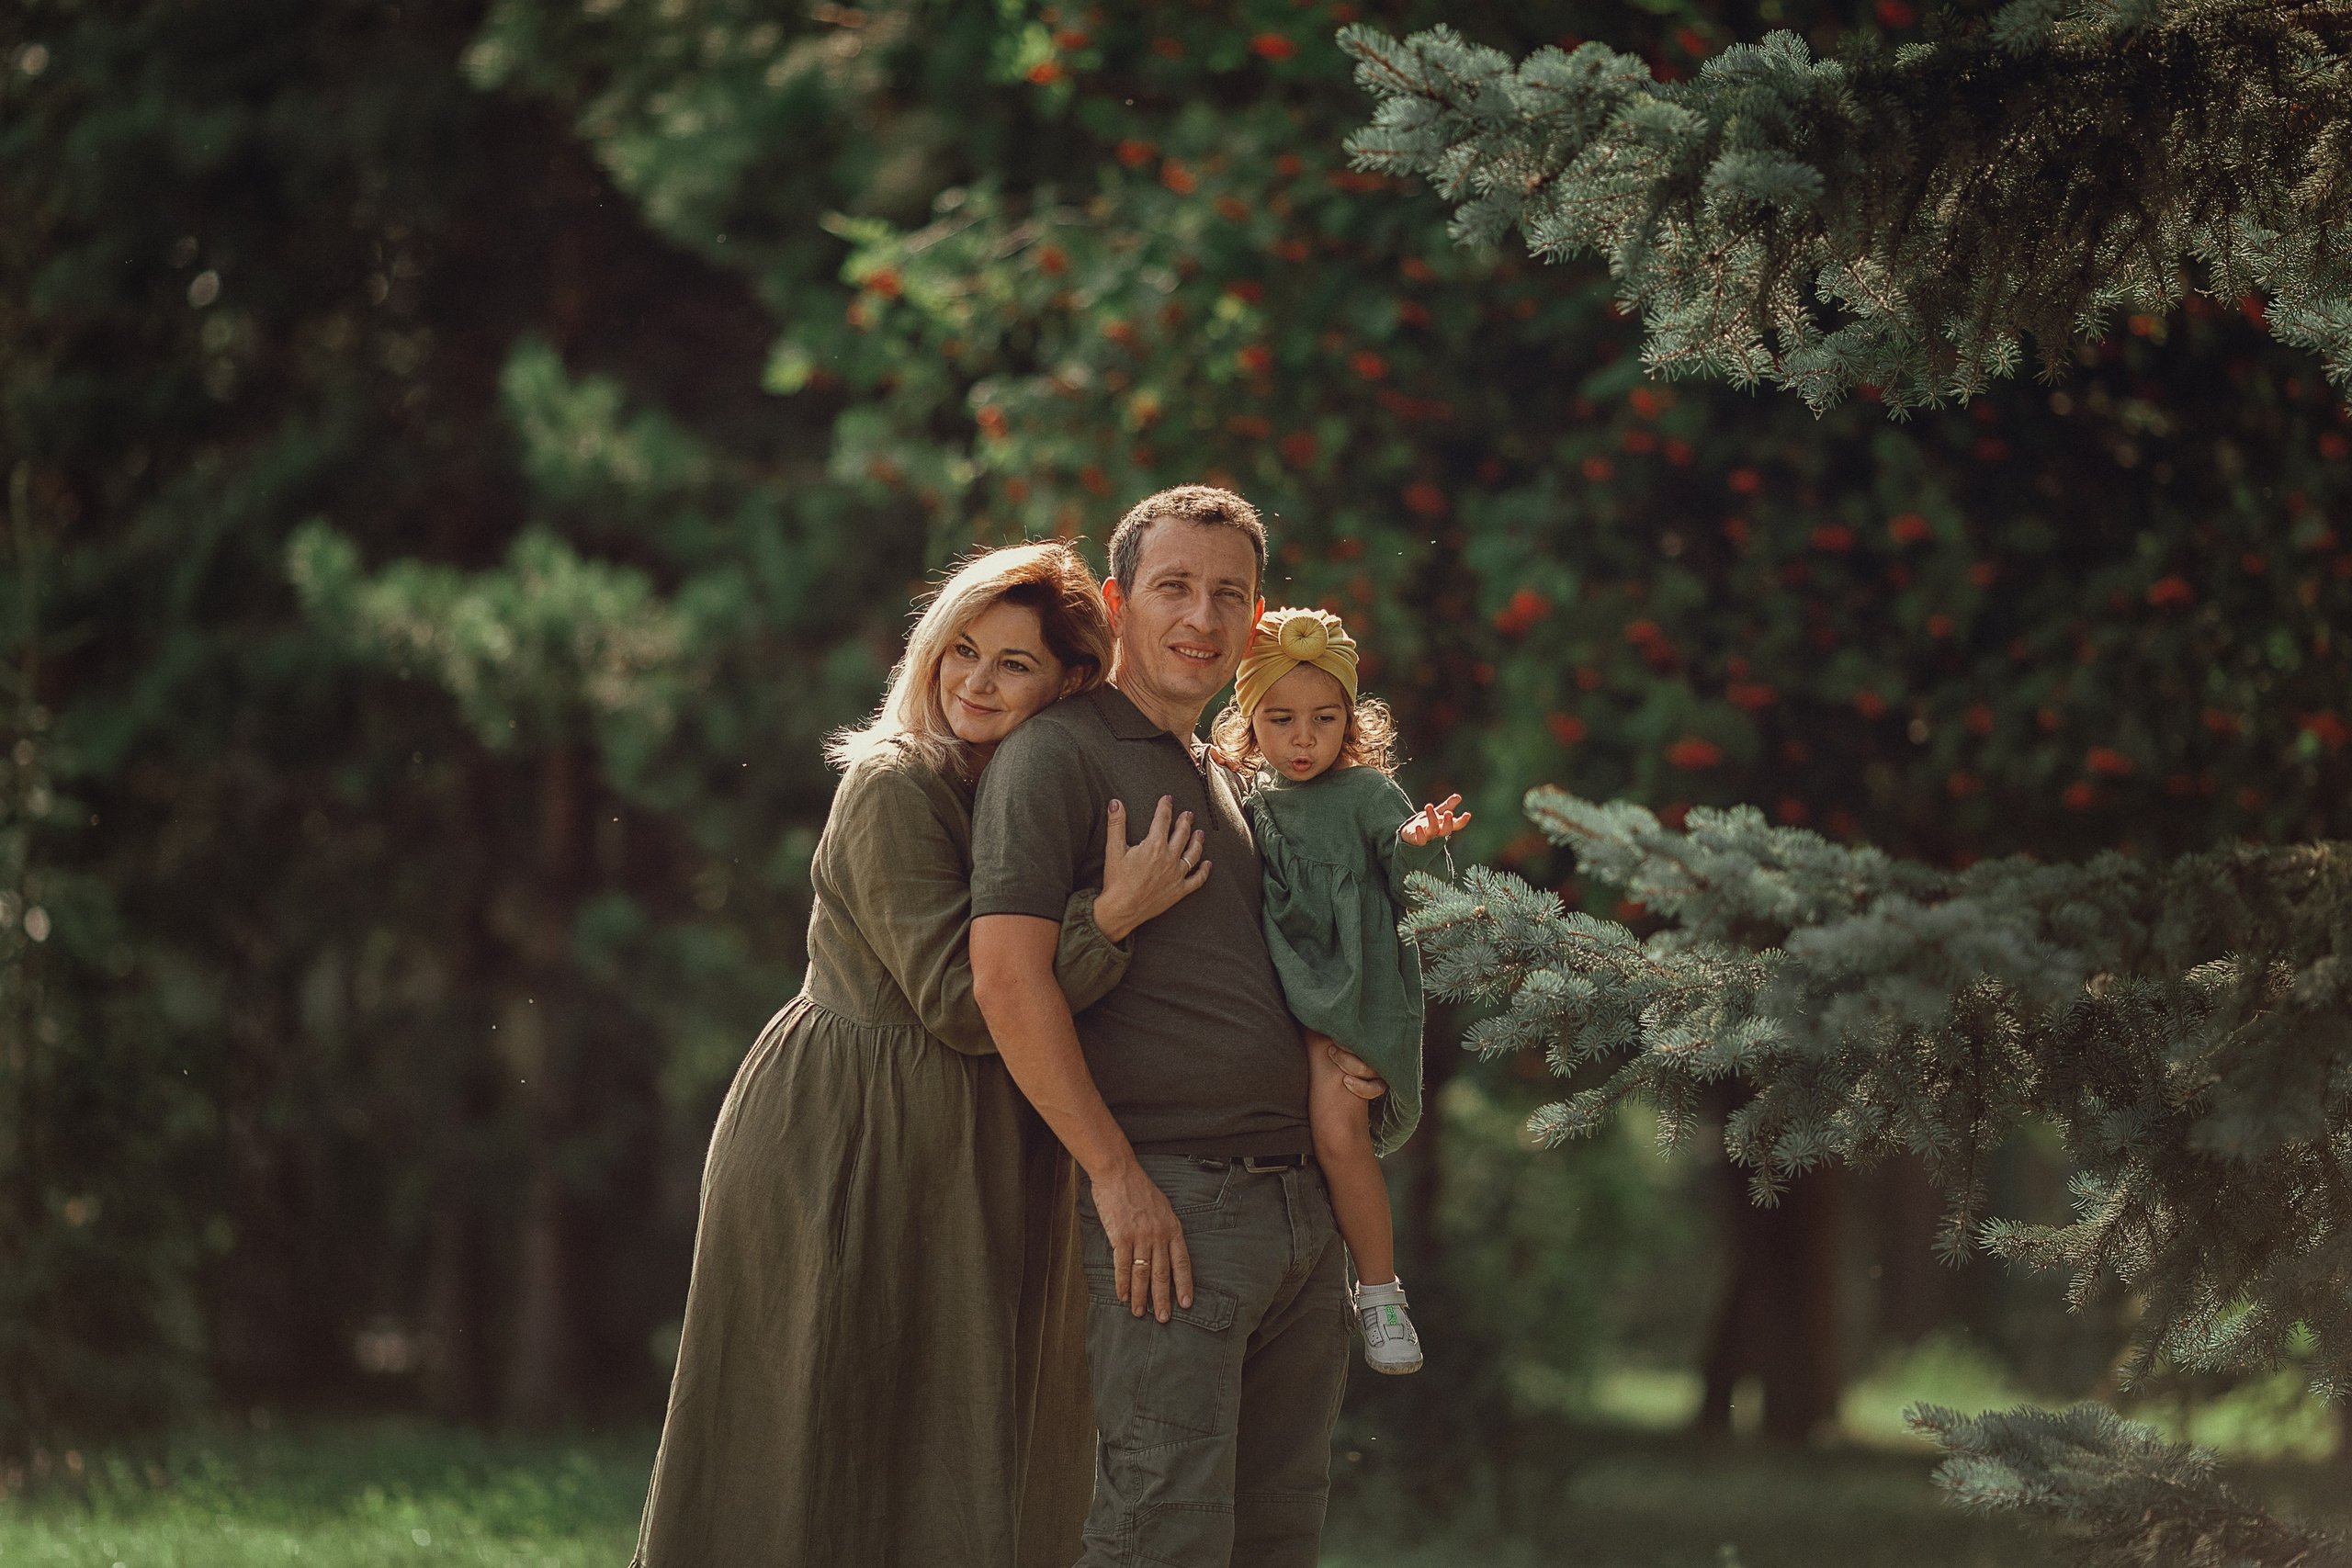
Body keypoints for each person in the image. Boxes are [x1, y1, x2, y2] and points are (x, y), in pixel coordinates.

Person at [631, 542, 1211, 1568]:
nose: (975, 684)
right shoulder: (894, 786)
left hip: (968, 1135)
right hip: (849, 1128)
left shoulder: (1031, 789)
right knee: (819, 1419)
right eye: (960, 654)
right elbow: (954, 998)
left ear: (1070, 681)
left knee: (947, 1433)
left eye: (1012, 664)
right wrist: (1107, 919)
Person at [968, 486, 1386, 1568]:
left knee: (1275, 1532)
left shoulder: (1240, 776)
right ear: (1117, 602)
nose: (1201, 616)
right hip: (1172, 1211)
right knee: (1163, 1531)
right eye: (1173, 588)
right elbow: (1006, 984)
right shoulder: (1056, 756)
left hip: (1301, 1212)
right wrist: (1115, 1179)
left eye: (1227, 594)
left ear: (1256, 620)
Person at [1209, 606, 1472, 1376]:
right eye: (1281, 719)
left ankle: (1382, 1293)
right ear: (1249, 720)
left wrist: (1420, 849)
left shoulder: (1366, 796)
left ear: (1351, 720)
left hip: (1344, 998)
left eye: (1325, 719)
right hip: (1276, 995)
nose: (1302, 738)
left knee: (1334, 1133)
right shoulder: (1246, 797)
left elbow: (1417, 896)